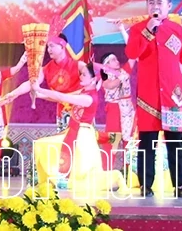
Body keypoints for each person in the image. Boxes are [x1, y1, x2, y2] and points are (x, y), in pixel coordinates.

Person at [124, 0, 182, 198]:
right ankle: (145, 186)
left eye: (159, 3)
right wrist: (149, 30)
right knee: (146, 143)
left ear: (168, 6)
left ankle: (181, 186)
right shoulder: (139, 29)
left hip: (173, 95)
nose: (155, 6)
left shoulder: (177, 29)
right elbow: (132, 52)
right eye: (151, 3)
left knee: (175, 142)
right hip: (148, 95)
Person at [30, 62, 126, 196]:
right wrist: (39, 95)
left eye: (84, 74)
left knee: (81, 176)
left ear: (93, 79)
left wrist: (39, 89)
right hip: (75, 133)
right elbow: (60, 97)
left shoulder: (88, 98)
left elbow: (63, 97)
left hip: (83, 137)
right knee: (42, 145)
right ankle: (50, 182)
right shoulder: (83, 92)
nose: (80, 76)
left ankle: (115, 177)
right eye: (81, 73)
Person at [99, 52, 135, 170]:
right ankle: (106, 172)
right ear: (107, 64)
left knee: (129, 141)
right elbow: (110, 85)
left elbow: (133, 55)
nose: (117, 61)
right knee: (112, 140)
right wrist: (121, 76)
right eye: (113, 60)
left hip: (128, 109)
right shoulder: (105, 76)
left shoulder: (123, 71)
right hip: (114, 109)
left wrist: (123, 32)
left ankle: (130, 172)